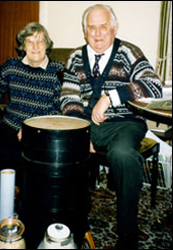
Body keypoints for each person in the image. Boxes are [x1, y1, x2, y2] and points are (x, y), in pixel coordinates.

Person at [60, 4, 162, 249]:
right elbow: (68, 98)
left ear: (115, 28)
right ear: (84, 31)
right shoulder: (75, 57)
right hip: (87, 124)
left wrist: (111, 97)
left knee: (123, 155)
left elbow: (154, 85)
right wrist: (82, 132)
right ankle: (68, 223)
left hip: (125, 123)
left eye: (103, 26)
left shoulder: (128, 52)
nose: (97, 33)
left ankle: (127, 235)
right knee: (60, 148)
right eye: (91, 28)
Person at [0, 22, 64, 171]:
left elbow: (58, 108)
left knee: (34, 163)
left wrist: (32, 128)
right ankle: (10, 189)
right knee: (4, 155)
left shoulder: (58, 71)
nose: (35, 46)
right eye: (30, 41)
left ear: (47, 45)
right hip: (11, 125)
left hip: (41, 128)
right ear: (23, 46)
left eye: (40, 40)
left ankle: (26, 190)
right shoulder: (11, 66)